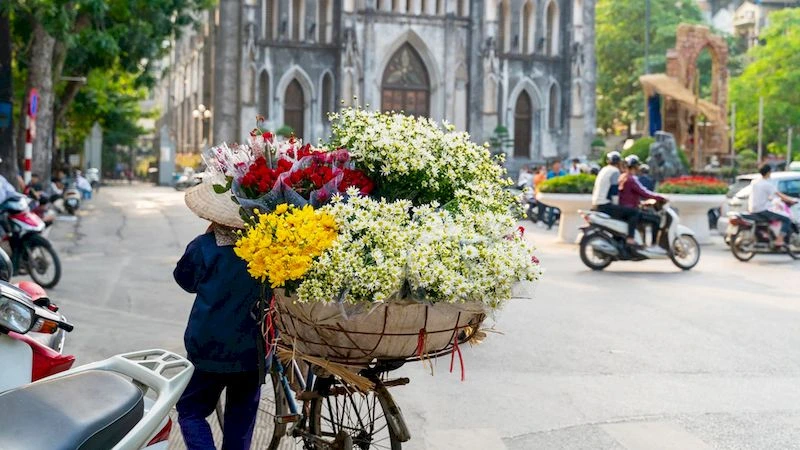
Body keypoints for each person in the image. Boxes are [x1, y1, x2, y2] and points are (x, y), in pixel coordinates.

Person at [174, 179, 264, 450]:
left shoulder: (204, 246)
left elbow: (185, 280)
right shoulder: (268, 249)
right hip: (253, 351)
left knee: (190, 410)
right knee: (240, 421)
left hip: (208, 349)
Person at [591, 151, 640, 246]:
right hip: (605, 205)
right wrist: (618, 204)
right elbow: (614, 191)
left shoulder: (603, 170)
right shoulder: (614, 171)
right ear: (618, 162)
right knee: (634, 212)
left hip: (596, 204)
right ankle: (630, 238)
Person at [619, 155, 667, 249]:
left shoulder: (623, 177)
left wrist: (643, 203)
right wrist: (660, 197)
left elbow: (630, 195)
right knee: (656, 219)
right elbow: (644, 192)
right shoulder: (631, 179)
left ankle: (644, 243)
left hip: (627, 207)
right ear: (636, 167)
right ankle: (653, 245)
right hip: (631, 209)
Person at [748, 164, 798, 247]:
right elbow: (779, 195)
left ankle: (770, 236)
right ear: (768, 173)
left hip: (752, 209)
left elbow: (763, 196)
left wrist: (770, 199)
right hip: (762, 210)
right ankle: (779, 239)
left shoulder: (755, 182)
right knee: (786, 219)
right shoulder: (767, 184)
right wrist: (791, 200)